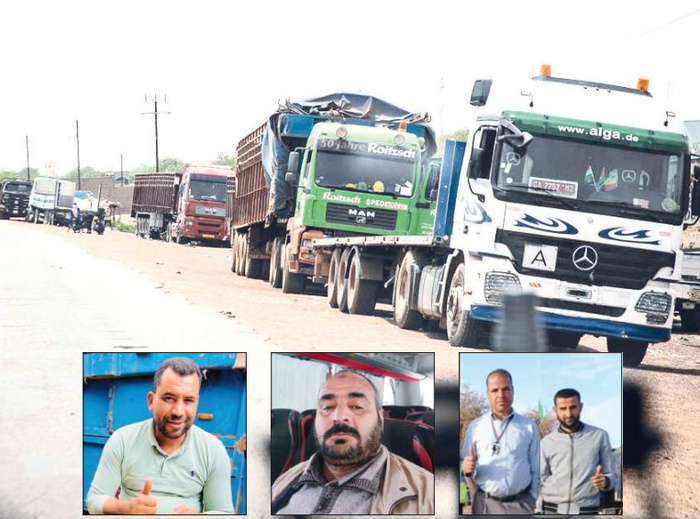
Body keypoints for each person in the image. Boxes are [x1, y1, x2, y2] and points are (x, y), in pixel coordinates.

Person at [271, 370, 434, 515]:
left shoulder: (428, 495)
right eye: (327, 407)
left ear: (380, 419)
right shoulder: (285, 480)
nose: (339, 416)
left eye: (357, 406)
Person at [86, 357, 234, 514]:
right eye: (169, 398)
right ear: (151, 401)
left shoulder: (213, 450)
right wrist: (126, 508)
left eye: (188, 400)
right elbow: (94, 500)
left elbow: (223, 512)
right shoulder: (122, 440)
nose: (178, 411)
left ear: (196, 403)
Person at [461, 369, 539, 514]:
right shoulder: (475, 427)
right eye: (495, 390)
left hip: (522, 505)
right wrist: (467, 470)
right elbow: (464, 466)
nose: (501, 395)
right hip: (485, 505)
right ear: (487, 394)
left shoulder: (529, 426)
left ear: (513, 390)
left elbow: (536, 468)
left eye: (506, 389)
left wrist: (533, 498)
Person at [539, 388, 617, 515]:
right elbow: (539, 480)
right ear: (555, 410)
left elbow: (612, 475)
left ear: (580, 406)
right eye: (563, 409)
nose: (569, 414)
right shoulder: (546, 442)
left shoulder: (599, 436)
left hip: (587, 512)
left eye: (573, 407)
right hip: (552, 511)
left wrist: (606, 480)